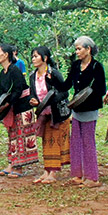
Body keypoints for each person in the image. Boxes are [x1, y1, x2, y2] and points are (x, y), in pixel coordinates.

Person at [53, 36, 106, 188]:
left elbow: (101, 89)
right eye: (76, 49)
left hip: (89, 109)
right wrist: (53, 80)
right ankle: (77, 175)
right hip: (77, 109)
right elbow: (66, 85)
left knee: (88, 142)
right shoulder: (76, 65)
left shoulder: (97, 67)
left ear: (88, 49)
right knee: (75, 142)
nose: (76, 52)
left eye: (79, 49)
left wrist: (85, 98)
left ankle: (92, 178)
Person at [0, 44, 39, 177]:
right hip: (13, 106)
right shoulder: (3, 73)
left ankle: (18, 168)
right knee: (12, 135)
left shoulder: (15, 70)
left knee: (21, 135)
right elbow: (2, 92)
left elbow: (18, 90)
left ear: (6, 55)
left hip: (22, 106)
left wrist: (7, 104)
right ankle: (11, 164)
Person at [28, 46, 71, 184]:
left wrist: (51, 100)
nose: (33, 59)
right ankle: (46, 170)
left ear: (45, 58)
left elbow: (65, 92)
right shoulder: (32, 76)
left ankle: (53, 172)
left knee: (56, 141)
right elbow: (33, 94)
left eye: (36, 56)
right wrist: (34, 101)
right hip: (43, 113)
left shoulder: (54, 74)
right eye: (33, 56)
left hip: (57, 112)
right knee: (46, 141)